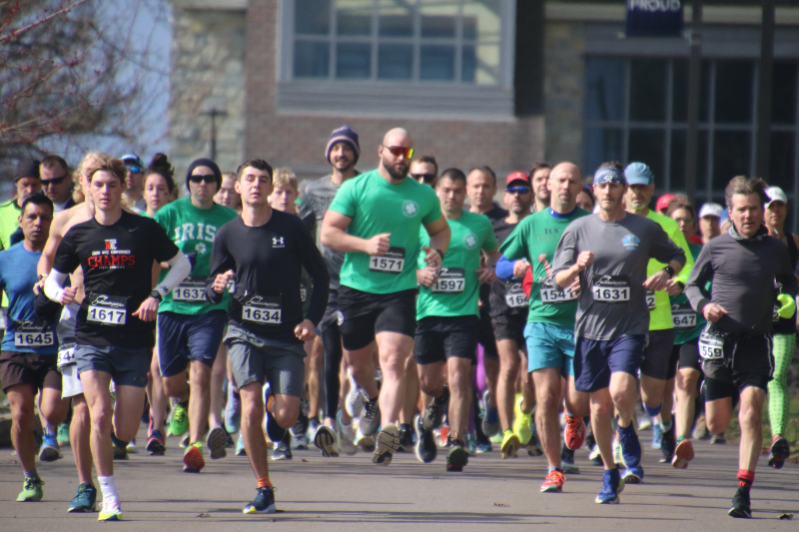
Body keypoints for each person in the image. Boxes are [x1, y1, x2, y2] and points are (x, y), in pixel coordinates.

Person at [44, 156, 192, 521]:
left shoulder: (143, 229)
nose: (106, 192)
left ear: (123, 187)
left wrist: (157, 295)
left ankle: (116, 440)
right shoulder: (79, 234)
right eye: (99, 185)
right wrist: (56, 293)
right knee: (97, 415)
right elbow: (53, 277)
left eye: (112, 185)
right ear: (88, 189)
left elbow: (183, 264)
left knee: (123, 430)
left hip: (134, 341)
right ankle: (108, 496)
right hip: (90, 337)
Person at [552, 166, 686, 505]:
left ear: (624, 190)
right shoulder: (578, 228)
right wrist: (577, 268)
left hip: (630, 327)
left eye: (615, 185)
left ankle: (625, 427)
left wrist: (665, 273)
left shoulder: (643, 228)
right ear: (594, 190)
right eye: (603, 185)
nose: (609, 190)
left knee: (622, 390)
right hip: (590, 330)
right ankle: (610, 473)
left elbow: (678, 255)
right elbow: (558, 279)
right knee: (597, 409)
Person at [321, 127, 451, 466]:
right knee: (358, 366)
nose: (401, 157)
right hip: (356, 289)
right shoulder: (356, 188)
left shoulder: (422, 196)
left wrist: (437, 251)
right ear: (380, 151)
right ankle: (372, 401)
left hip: (399, 290)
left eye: (407, 152)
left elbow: (441, 231)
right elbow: (329, 233)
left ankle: (390, 428)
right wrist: (365, 245)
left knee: (394, 360)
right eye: (395, 150)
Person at [206, 159, 329, 514]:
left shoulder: (291, 227)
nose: (257, 185)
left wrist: (311, 320)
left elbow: (320, 277)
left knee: (287, 415)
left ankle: (280, 415)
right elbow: (213, 288)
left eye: (263, 180)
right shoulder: (227, 233)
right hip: (243, 331)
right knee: (249, 404)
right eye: (250, 179)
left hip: (286, 334)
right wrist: (215, 287)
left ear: (270, 187)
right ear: (239, 188)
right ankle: (263, 487)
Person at [686, 176, 797, 519]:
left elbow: (790, 284)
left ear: (762, 212)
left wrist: (788, 300)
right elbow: (692, 285)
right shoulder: (716, 247)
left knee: (750, 411)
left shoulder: (777, 249)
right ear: (730, 213)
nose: (748, 215)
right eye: (741, 210)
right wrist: (705, 307)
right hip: (719, 342)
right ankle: (712, 391)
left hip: (755, 343)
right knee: (718, 423)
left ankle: (743, 490)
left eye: (753, 209)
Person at [498, 162, 591, 492]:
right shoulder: (531, 224)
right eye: (560, 180)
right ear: (548, 185)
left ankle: (577, 419)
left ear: (580, 188)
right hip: (541, 323)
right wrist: (516, 266)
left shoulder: (589, 224)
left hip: (582, 326)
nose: (566, 186)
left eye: (572, 181)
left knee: (576, 401)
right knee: (546, 396)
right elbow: (499, 264)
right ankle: (554, 469)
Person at [153, 158, 238, 472]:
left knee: (202, 372)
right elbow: (149, 252)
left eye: (209, 179)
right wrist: (169, 265)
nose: (203, 184)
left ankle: (194, 444)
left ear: (217, 185)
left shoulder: (229, 219)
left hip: (210, 306)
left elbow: (240, 257)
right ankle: (183, 403)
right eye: (197, 178)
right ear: (188, 182)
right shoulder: (169, 213)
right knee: (171, 383)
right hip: (172, 306)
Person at [414, 168, 499, 471]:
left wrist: (491, 269)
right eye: (447, 190)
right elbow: (402, 264)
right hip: (427, 314)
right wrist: (417, 273)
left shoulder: (479, 223)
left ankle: (457, 442)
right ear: (437, 191)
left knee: (460, 377)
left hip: (464, 314)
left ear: (465, 194)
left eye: (458, 191)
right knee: (428, 383)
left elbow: (494, 253)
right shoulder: (421, 225)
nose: (452, 196)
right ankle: (430, 418)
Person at [36, 152, 106, 513]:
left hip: (116, 324)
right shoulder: (65, 219)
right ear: (81, 181)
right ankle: (85, 484)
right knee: (81, 407)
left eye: (105, 176)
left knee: (106, 414)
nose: (98, 184)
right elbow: (45, 261)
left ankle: (108, 465)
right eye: (91, 176)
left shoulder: (132, 221)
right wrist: (49, 286)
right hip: (75, 320)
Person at [623, 162, 694, 473]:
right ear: (623, 189)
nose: (637, 192)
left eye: (643, 187)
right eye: (632, 186)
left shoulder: (665, 225)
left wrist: (676, 281)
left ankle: (663, 422)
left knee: (654, 394)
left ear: (652, 190)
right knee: (621, 385)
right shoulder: (612, 223)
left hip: (659, 321)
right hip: (621, 321)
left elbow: (689, 266)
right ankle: (623, 442)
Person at [298, 125, 361, 457]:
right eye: (336, 148)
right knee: (326, 354)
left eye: (347, 148)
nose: (341, 154)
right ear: (329, 154)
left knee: (356, 358)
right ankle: (327, 421)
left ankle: (352, 418)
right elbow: (300, 230)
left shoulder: (367, 186)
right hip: (327, 285)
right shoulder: (314, 190)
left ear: (355, 153)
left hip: (361, 284)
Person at [0, 195, 68, 502]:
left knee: (52, 409)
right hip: (15, 345)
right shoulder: (6, 258)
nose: (38, 223)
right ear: (21, 221)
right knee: (22, 413)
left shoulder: (64, 257)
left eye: (44, 217)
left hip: (55, 348)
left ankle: (55, 433)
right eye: (32, 217)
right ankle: (30, 478)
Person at [268, 167, 321, 460]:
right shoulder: (261, 225)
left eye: (289, 192)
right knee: (273, 377)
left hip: (300, 307)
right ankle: (280, 437)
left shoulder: (304, 225)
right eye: (279, 191)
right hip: (268, 311)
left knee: (301, 370)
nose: (284, 197)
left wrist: (312, 313)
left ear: (297, 196)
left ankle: (298, 419)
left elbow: (315, 272)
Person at [486, 172, 535, 459]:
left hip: (534, 308)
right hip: (503, 306)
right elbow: (488, 263)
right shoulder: (493, 228)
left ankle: (525, 414)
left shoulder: (538, 225)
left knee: (529, 372)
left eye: (522, 189)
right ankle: (507, 433)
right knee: (508, 366)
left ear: (530, 195)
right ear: (505, 197)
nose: (517, 194)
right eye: (512, 190)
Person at [466, 166, 508, 446]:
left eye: (486, 186)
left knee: (494, 368)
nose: (480, 191)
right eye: (475, 186)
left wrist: (494, 267)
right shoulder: (455, 220)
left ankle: (493, 404)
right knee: (463, 370)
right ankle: (474, 433)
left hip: (496, 304)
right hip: (463, 304)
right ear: (468, 189)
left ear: (494, 189)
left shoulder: (505, 221)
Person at [665, 200, 706, 470]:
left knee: (688, 379)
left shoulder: (702, 253)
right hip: (663, 331)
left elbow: (711, 282)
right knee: (660, 392)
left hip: (692, 329)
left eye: (686, 220)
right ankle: (666, 426)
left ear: (693, 225)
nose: (681, 224)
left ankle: (682, 439)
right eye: (676, 219)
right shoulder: (657, 253)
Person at [761, 186, 799, 470]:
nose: (775, 211)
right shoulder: (753, 241)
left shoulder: (795, 243)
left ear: (786, 209)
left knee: (777, 377)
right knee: (752, 383)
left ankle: (777, 438)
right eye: (770, 206)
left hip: (784, 322)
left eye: (779, 206)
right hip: (753, 321)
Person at [0, 159, 42, 251]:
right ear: (16, 183)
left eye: (34, 185)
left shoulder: (51, 211)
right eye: (25, 184)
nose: (30, 190)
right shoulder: (2, 214)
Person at [142, 154, 175, 219]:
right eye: (150, 188)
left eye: (161, 189)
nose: (155, 193)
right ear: (144, 194)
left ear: (170, 194)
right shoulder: (135, 222)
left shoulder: (177, 224)